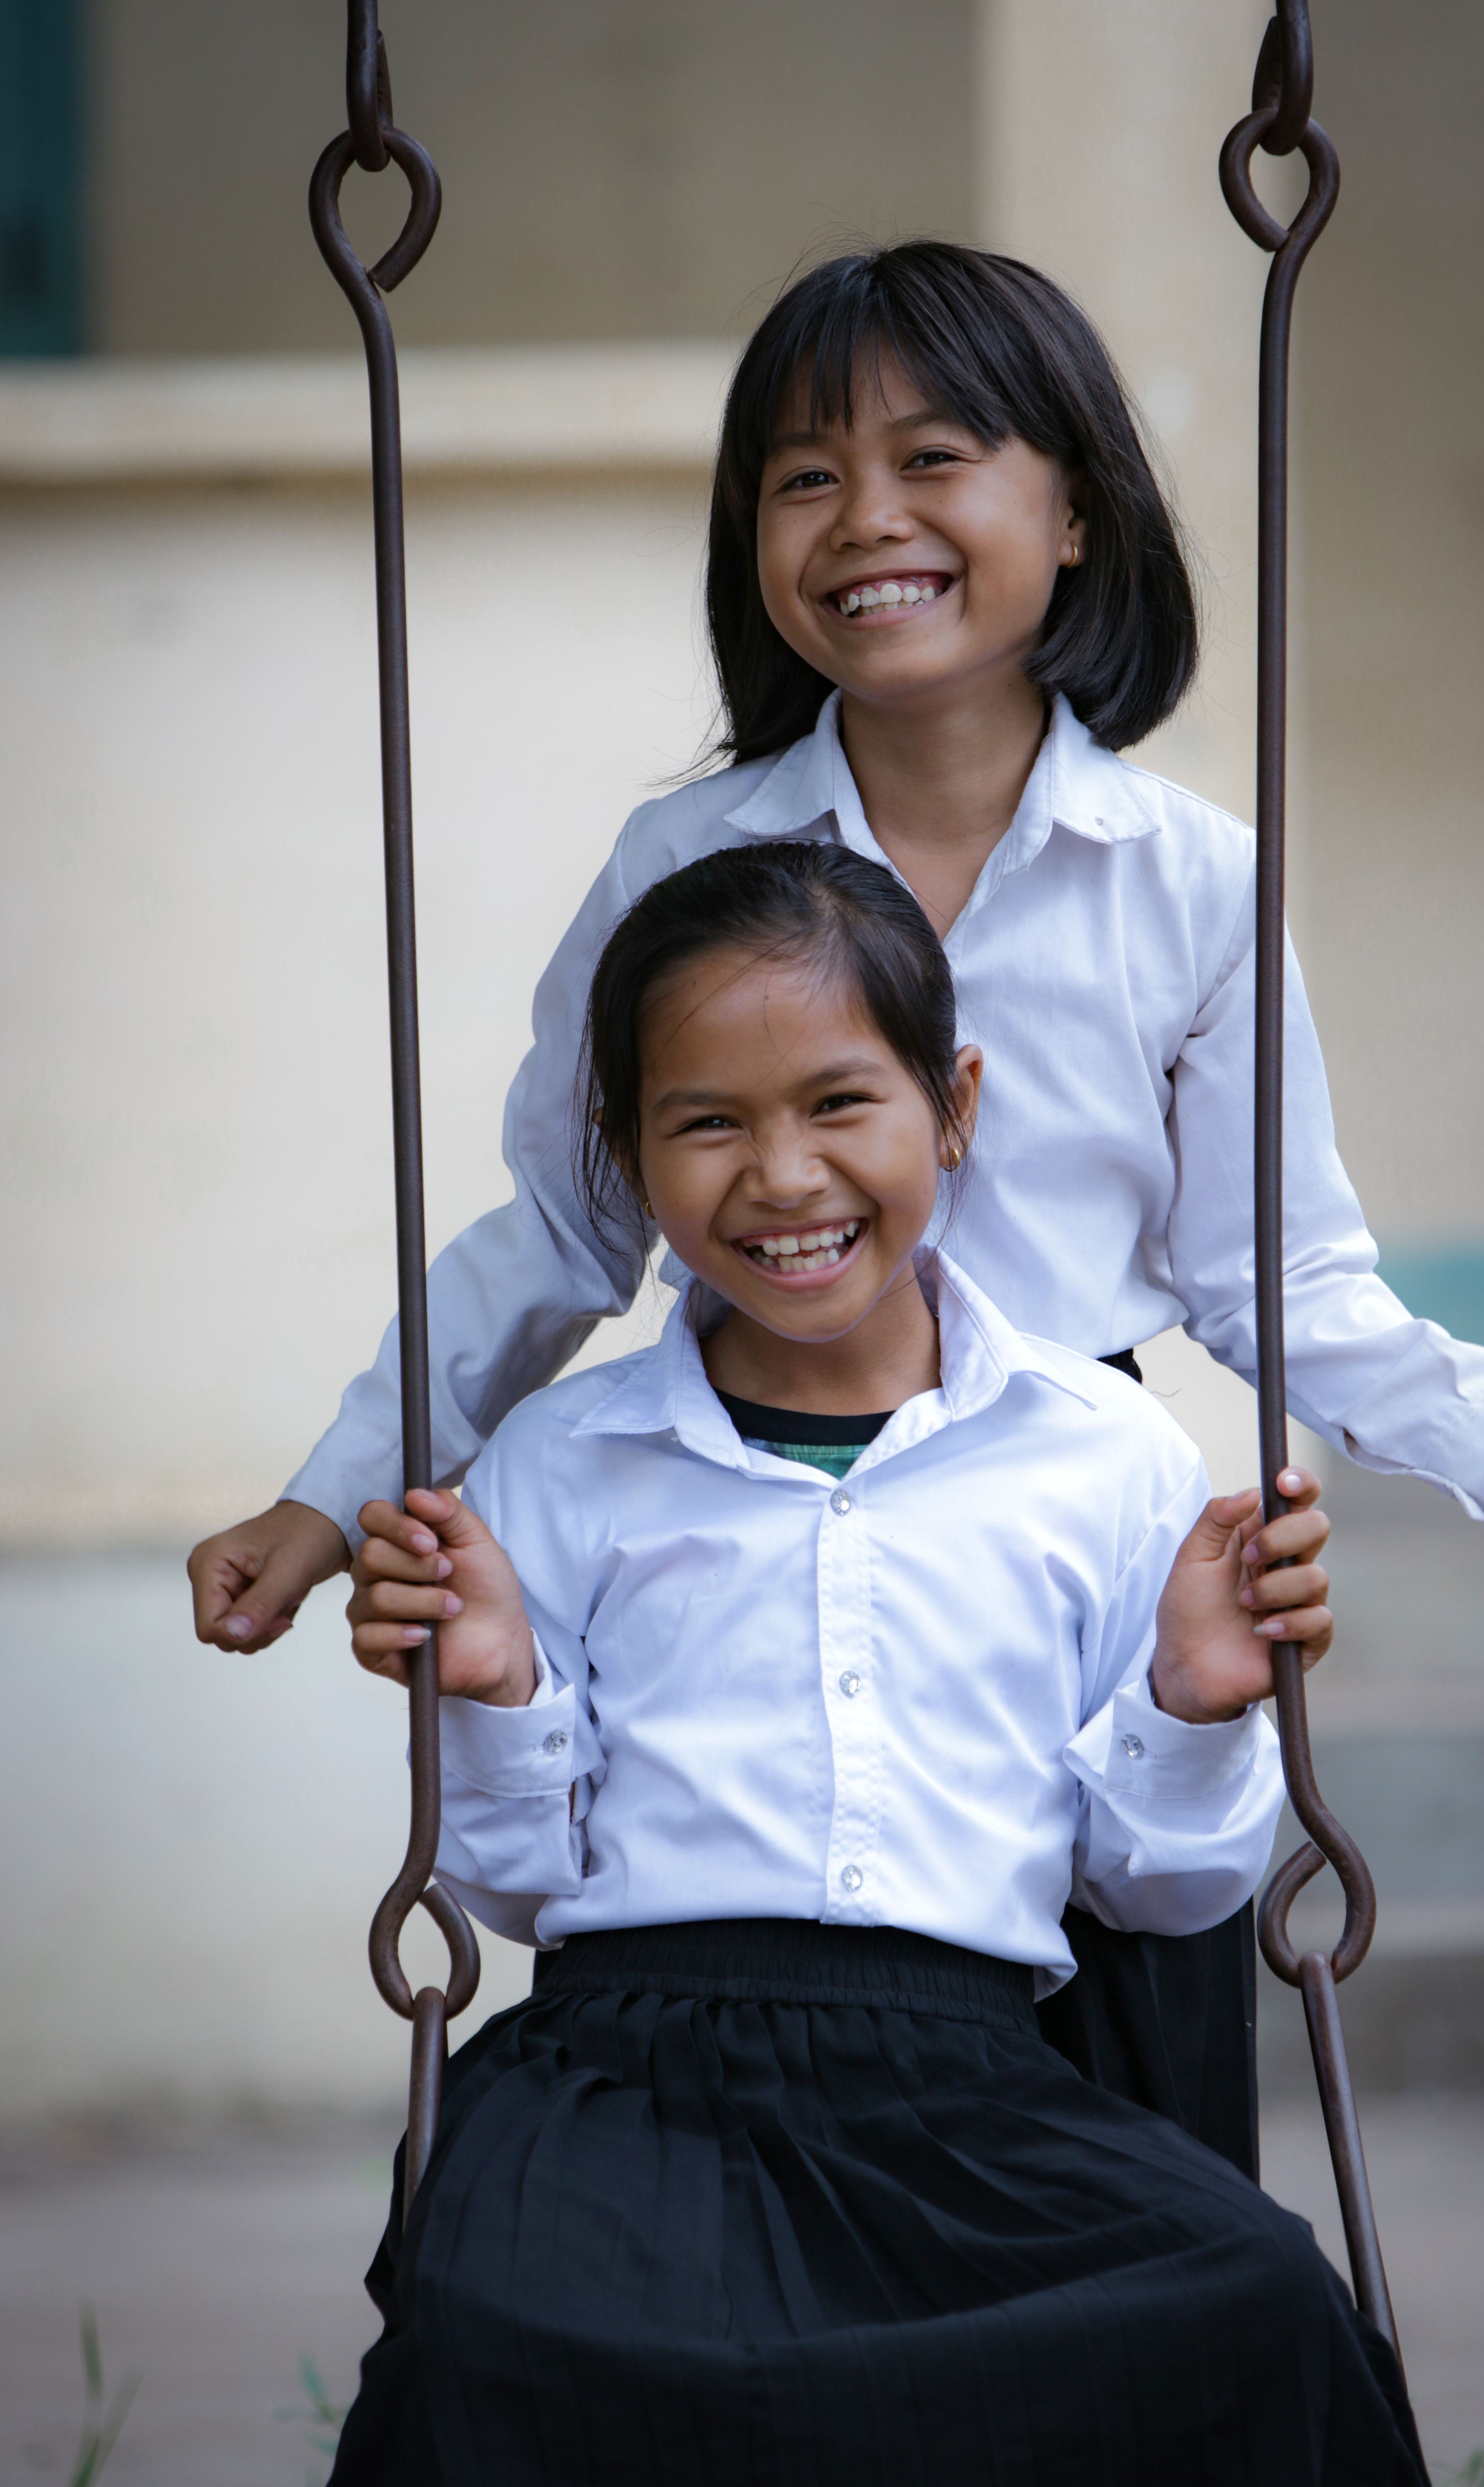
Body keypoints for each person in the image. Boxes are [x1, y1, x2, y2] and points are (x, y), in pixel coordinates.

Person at [190, 239, 1484, 2151]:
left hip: (1075, 1564)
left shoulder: (1187, 879)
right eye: (804, 476)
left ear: (1075, 508)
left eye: (934, 457)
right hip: (747, 1545)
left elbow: (1276, 1273)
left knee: (1132, 2139)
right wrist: (332, 1497)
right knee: (728, 2130)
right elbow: (565, 1227)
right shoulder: (687, 859)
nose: (864, 518)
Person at [329, 839, 1425, 2486]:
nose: (784, 1177)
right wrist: (497, 1692)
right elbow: (511, 1884)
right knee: (493, 2346)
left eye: (842, 1104)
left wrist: (1191, 1707)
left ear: (954, 1106)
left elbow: (1163, 1892)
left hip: (969, 2084)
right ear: (626, 1152)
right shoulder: (560, 1461)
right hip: (626, 2067)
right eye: (708, 1122)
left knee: (1263, 2305)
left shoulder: (1103, 1452)